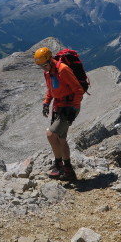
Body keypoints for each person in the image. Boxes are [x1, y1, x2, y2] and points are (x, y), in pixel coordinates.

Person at [34, 46, 84, 181]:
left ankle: (59, 166)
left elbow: (78, 90)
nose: (43, 68)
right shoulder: (48, 73)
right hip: (59, 107)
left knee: (51, 134)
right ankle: (69, 172)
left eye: (44, 64)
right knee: (61, 139)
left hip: (69, 107)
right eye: (41, 66)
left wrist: (73, 108)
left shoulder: (63, 69)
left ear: (50, 59)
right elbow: (51, 90)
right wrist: (46, 103)